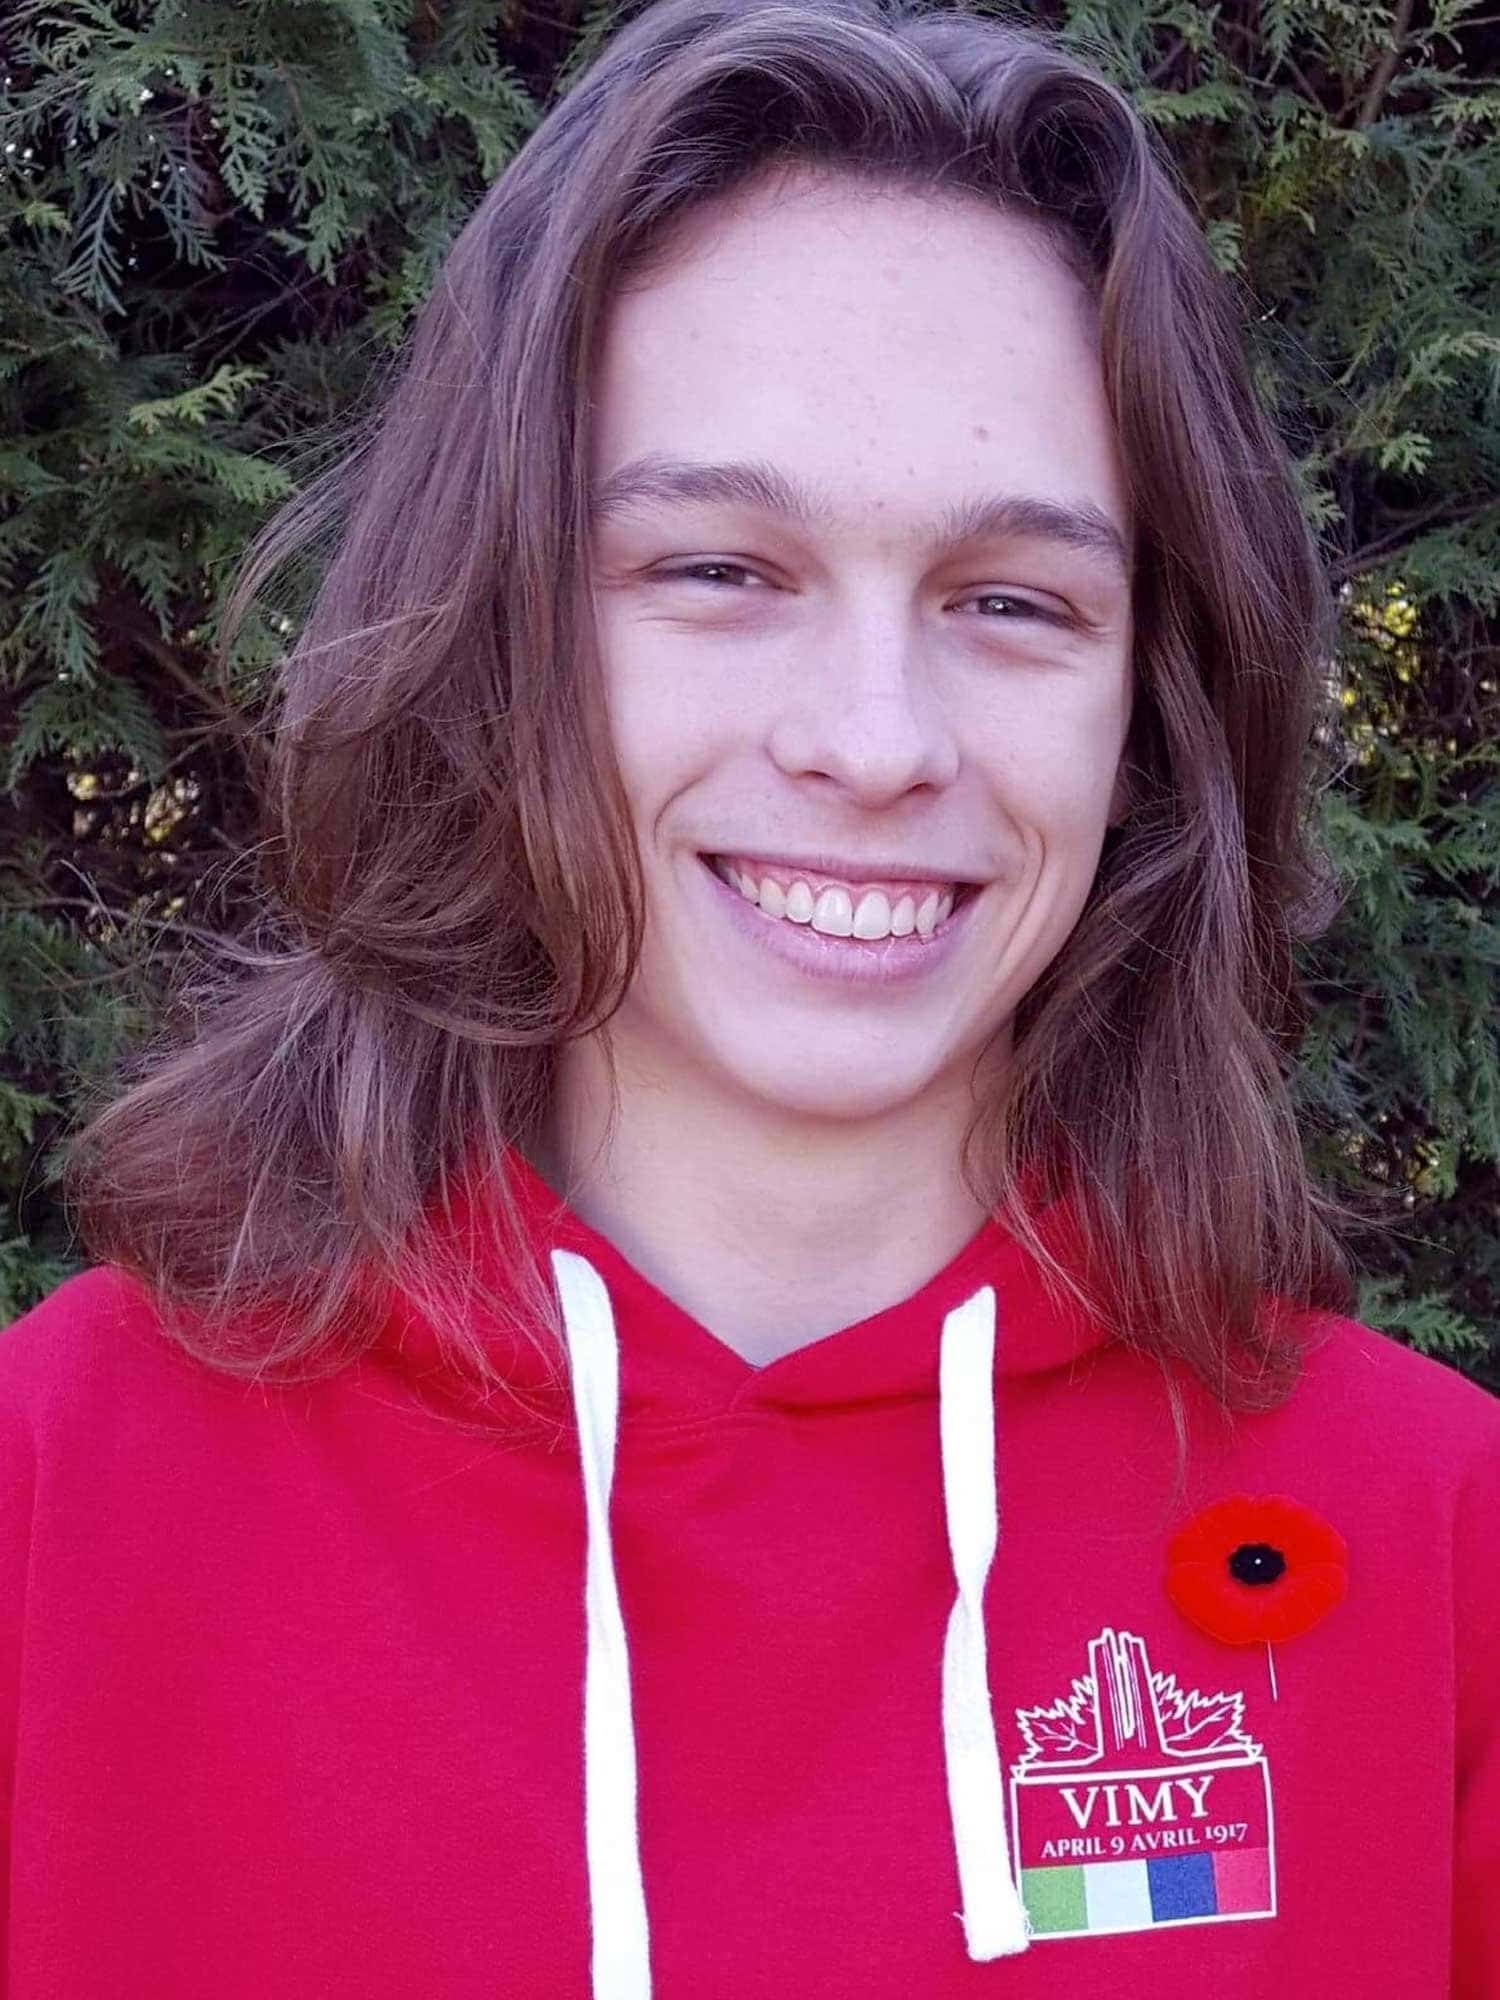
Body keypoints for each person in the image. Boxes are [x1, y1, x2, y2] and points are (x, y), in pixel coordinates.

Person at [2, 0, 1496, 1993]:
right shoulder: (61, 1495)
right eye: (719, 569)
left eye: (1012, 602)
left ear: (1150, 707)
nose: (874, 741)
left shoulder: (1436, 1543)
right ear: (500, 628)